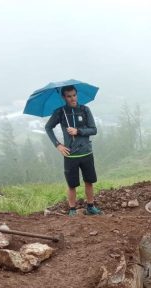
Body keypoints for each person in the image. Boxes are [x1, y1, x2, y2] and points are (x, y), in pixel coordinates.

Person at [45, 85, 101, 216]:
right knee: (72, 184)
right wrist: (58, 145)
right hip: (70, 155)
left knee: (89, 181)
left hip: (87, 152)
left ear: (77, 94)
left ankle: (91, 207)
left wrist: (78, 131)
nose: (72, 98)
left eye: (74, 95)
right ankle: (72, 210)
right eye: (69, 96)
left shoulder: (85, 110)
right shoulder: (60, 112)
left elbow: (94, 130)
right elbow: (48, 127)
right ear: (64, 97)